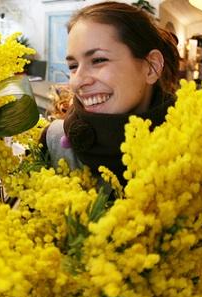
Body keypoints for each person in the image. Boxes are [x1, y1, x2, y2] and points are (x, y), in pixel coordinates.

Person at [41, 1, 180, 186]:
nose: (77, 81)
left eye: (98, 60)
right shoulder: (54, 142)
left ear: (151, 67)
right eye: (73, 66)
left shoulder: (192, 153)